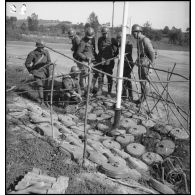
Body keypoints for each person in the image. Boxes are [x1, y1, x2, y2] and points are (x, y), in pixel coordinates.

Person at [131, 24, 155, 104]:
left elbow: (151, 52)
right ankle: (142, 98)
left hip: (146, 63)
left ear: (138, 32)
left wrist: (151, 65)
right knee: (142, 81)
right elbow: (140, 53)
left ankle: (143, 100)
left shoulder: (145, 40)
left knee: (145, 82)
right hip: (141, 62)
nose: (133, 35)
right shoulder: (139, 40)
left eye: (134, 33)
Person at [25, 40, 53, 106]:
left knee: (47, 87)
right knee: (40, 86)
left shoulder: (46, 52)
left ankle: (46, 101)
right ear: (38, 47)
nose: (43, 48)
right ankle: (42, 101)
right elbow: (27, 63)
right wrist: (31, 71)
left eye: (43, 47)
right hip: (37, 72)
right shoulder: (32, 53)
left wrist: (50, 67)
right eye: (41, 47)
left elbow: (49, 61)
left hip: (46, 72)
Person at [93, 26, 116, 97]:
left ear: (108, 33)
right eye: (103, 34)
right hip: (101, 61)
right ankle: (100, 90)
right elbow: (99, 49)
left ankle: (109, 92)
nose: (104, 35)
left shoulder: (113, 40)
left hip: (109, 62)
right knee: (100, 76)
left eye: (106, 33)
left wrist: (110, 57)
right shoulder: (100, 39)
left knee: (109, 77)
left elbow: (116, 51)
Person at [112, 32, 134, 101]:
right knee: (121, 79)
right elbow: (117, 52)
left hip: (128, 64)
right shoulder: (120, 44)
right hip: (121, 63)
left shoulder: (129, 43)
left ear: (121, 38)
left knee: (127, 80)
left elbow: (128, 52)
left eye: (118, 39)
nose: (118, 41)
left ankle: (130, 96)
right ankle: (123, 96)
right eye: (117, 40)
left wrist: (121, 55)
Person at [76, 27, 98, 92]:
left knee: (93, 75)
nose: (89, 39)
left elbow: (93, 50)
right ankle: (83, 90)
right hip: (85, 62)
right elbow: (78, 52)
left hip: (92, 61)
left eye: (90, 37)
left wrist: (96, 58)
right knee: (85, 75)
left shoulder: (93, 40)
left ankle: (90, 89)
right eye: (88, 37)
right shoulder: (83, 41)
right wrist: (85, 57)